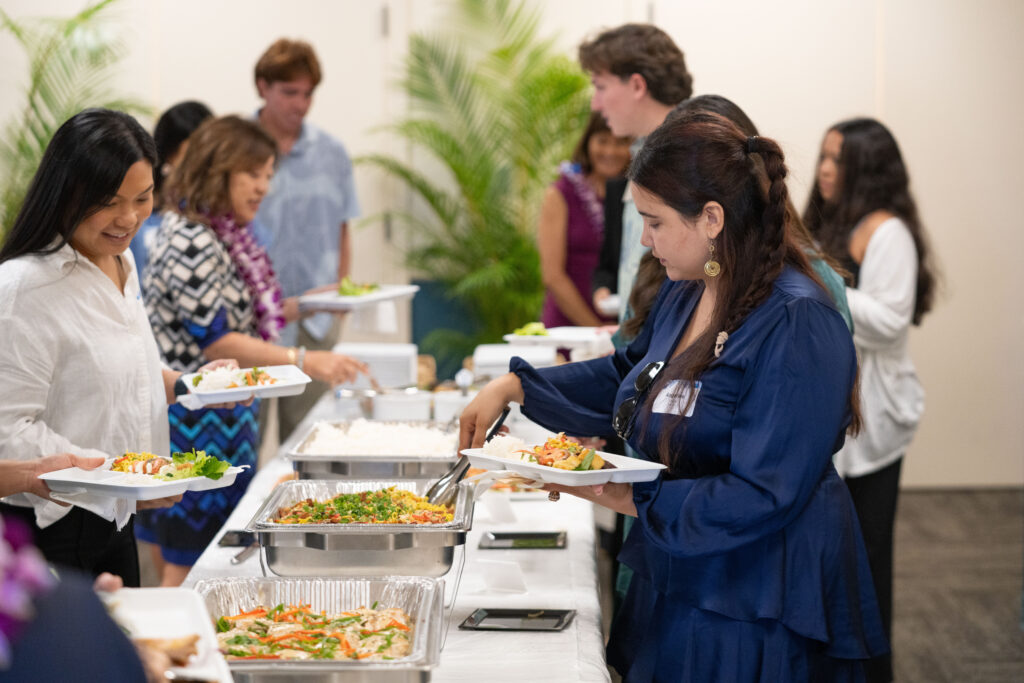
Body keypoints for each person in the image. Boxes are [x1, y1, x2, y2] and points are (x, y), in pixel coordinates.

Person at [461, 112, 888, 681]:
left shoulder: (796, 320)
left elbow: (765, 492)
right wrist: (516, 387)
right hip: (687, 564)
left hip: (757, 594)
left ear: (711, 218)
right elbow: (632, 379)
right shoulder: (689, 289)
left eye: (654, 221)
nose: (644, 239)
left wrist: (629, 497)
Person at [138, 115, 367, 586]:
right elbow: (217, 339)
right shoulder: (189, 238)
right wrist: (306, 360)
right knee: (188, 564)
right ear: (218, 169)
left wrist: (309, 304)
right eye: (252, 173)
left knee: (207, 562)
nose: (263, 186)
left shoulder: (222, 233)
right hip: (193, 425)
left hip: (224, 422)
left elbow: (244, 315)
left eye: (268, 175)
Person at [0, 109, 206, 586]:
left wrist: (193, 385)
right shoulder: (24, 288)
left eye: (143, 197)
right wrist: (120, 472)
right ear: (66, 192)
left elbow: (125, 374)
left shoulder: (121, 260)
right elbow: (7, 431)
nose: (129, 218)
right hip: (50, 530)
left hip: (115, 517)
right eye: (110, 202)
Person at [804, 117, 936, 683]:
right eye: (823, 156)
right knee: (830, 559)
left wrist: (820, 280)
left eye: (838, 159)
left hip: (875, 421)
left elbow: (887, 323)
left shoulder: (889, 233)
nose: (824, 169)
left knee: (867, 558)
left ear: (868, 168)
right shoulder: (830, 222)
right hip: (831, 413)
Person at [252, 38, 361, 440]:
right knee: (247, 439)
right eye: (289, 92)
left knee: (306, 437)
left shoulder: (332, 152)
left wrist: (341, 294)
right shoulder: (238, 148)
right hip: (253, 323)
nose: (300, 104)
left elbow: (343, 227)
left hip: (317, 321)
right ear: (263, 87)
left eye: (308, 93)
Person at [580, 23, 693, 321]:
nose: (595, 103)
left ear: (637, 86)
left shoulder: (690, 162)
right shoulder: (644, 156)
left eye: (600, 87)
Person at [538, 112, 631, 328]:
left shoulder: (639, 196)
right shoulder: (560, 194)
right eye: (602, 141)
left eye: (620, 142)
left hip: (623, 324)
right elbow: (552, 276)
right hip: (569, 325)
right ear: (587, 142)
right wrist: (595, 328)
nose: (610, 151)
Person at [128, 100, 213, 279]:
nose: (203, 164)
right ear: (168, 153)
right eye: (193, 153)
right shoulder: (139, 211)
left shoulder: (218, 211)